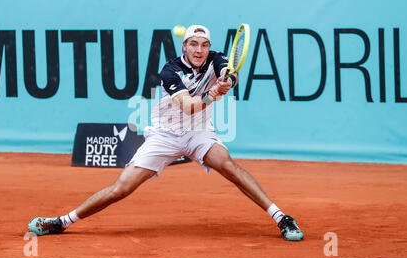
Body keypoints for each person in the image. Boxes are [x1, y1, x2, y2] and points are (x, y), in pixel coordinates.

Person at [28, 25, 303, 241]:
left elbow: (228, 73)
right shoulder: (170, 71)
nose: (199, 50)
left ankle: (281, 218)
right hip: (165, 134)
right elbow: (190, 106)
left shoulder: (216, 58)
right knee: (121, 188)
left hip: (199, 133)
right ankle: (63, 221)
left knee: (228, 166)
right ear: (184, 45)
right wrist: (211, 95)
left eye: (204, 45)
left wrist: (228, 80)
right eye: (193, 44)